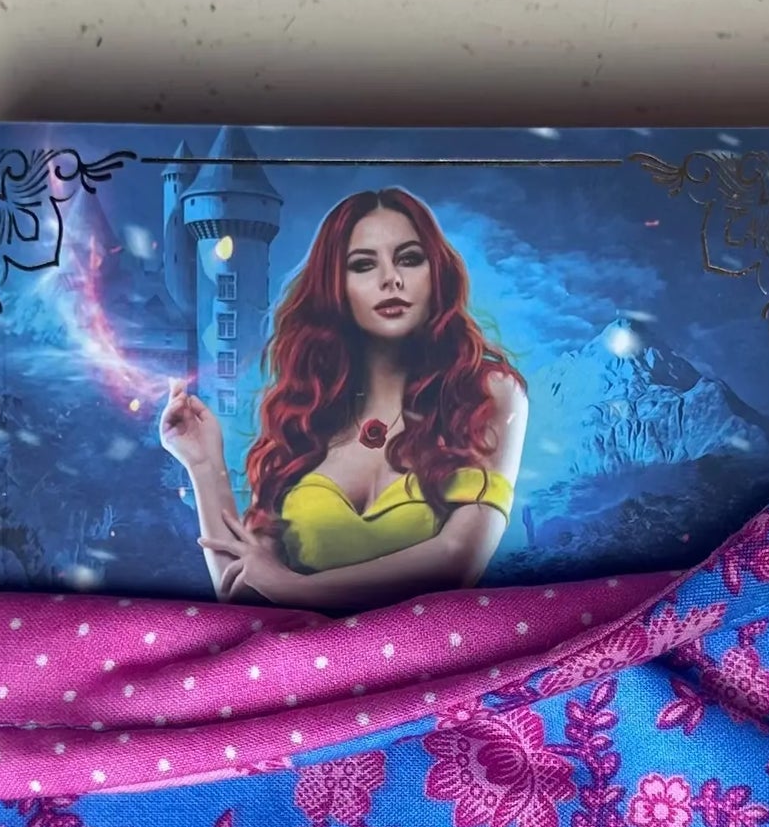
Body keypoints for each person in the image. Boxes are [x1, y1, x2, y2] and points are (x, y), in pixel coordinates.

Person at [159, 189, 527, 611]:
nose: (391, 279)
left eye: (409, 258)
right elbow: (241, 590)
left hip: (434, 651)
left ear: (436, 274)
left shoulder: (484, 394)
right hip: (309, 654)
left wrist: (293, 588)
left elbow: (458, 560)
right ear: (335, 286)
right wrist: (204, 464)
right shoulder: (305, 421)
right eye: (363, 265)